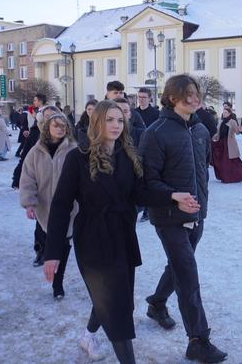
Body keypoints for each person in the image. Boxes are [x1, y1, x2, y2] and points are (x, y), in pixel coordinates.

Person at [44, 100, 166, 363]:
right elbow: (61, 205)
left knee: (118, 298)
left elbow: (139, 193)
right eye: (110, 120)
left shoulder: (128, 155)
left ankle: (89, 335)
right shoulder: (78, 157)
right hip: (92, 239)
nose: (116, 125)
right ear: (97, 122)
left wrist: (172, 196)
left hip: (123, 235)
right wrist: (52, 251)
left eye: (120, 120)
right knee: (116, 304)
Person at [140, 74, 228, 363]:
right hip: (168, 216)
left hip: (197, 214)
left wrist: (200, 206)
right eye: (188, 94)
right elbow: (146, 182)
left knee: (178, 266)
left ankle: (156, 303)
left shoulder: (200, 129)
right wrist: (173, 196)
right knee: (188, 273)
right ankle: (198, 340)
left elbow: (201, 172)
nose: (195, 99)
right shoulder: (155, 132)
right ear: (172, 97)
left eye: (196, 93)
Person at [19, 113, 77, 299]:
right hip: (45, 207)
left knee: (64, 242)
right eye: (56, 125)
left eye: (63, 126)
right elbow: (28, 178)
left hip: (70, 207)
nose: (60, 129)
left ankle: (58, 283)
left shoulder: (74, 150)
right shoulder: (36, 152)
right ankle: (45, 259)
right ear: (47, 128)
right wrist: (29, 203)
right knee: (50, 241)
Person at [12, 105, 62, 267]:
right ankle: (41, 251)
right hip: (43, 191)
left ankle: (58, 251)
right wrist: (16, 178)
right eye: (47, 116)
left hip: (62, 191)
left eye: (53, 116)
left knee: (61, 223)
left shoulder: (67, 138)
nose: (50, 119)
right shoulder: (35, 134)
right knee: (41, 225)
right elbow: (26, 160)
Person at [211, 106, 242, 183]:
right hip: (221, 143)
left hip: (229, 144)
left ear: (229, 113)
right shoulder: (221, 122)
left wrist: (240, 129)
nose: (224, 114)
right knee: (221, 161)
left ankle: (238, 176)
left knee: (231, 161)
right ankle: (224, 177)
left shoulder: (232, 121)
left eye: (226, 113)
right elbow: (218, 133)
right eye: (223, 112)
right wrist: (212, 138)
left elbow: (237, 132)